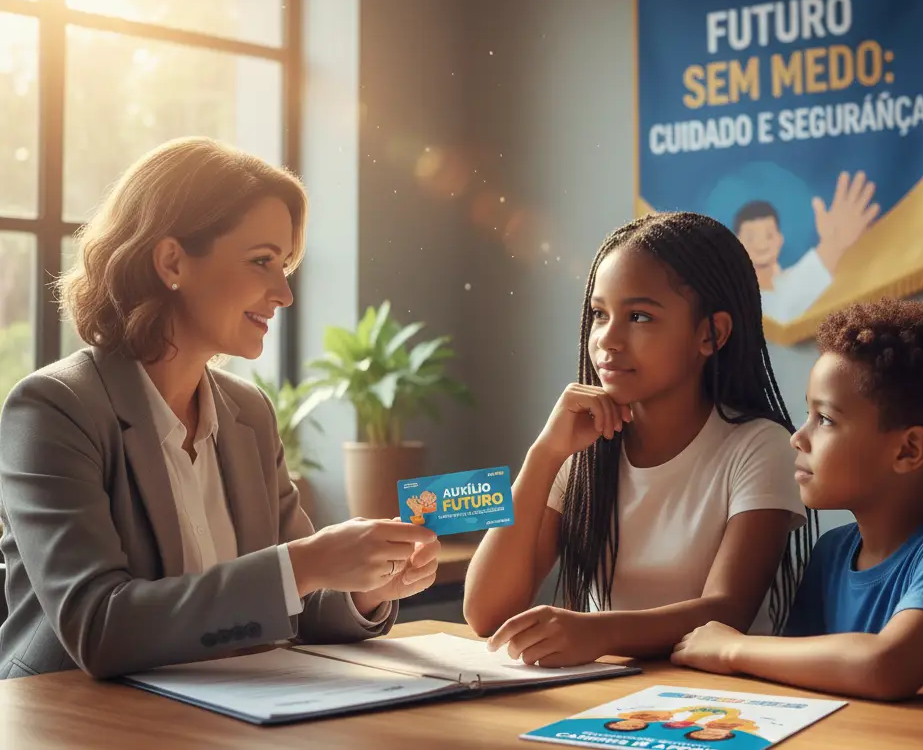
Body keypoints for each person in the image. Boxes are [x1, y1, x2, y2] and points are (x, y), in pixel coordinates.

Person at [0, 137, 439, 680]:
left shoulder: (248, 413)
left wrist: (364, 590)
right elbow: (99, 626)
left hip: (221, 717)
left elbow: (288, 602)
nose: (284, 293)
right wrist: (309, 563)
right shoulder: (54, 409)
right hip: (72, 721)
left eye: (286, 267)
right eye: (262, 262)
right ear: (171, 261)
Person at [464, 212, 815, 666]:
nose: (607, 340)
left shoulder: (758, 446)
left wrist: (595, 632)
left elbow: (728, 612)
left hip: (717, 705)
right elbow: (486, 613)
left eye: (640, 316)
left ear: (712, 333)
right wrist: (544, 454)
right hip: (603, 696)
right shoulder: (580, 449)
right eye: (599, 314)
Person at [671, 300, 923, 698]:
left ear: (908, 451)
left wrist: (732, 647)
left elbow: (886, 666)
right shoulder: (832, 553)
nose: (797, 437)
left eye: (825, 420)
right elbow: (794, 674)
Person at [733, 171, 879, 323]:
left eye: (768, 235)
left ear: (779, 239)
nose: (761, 244)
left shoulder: (792, 284)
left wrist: (834, 245)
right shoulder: (730, 297)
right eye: (750, 238)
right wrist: (832, 246)